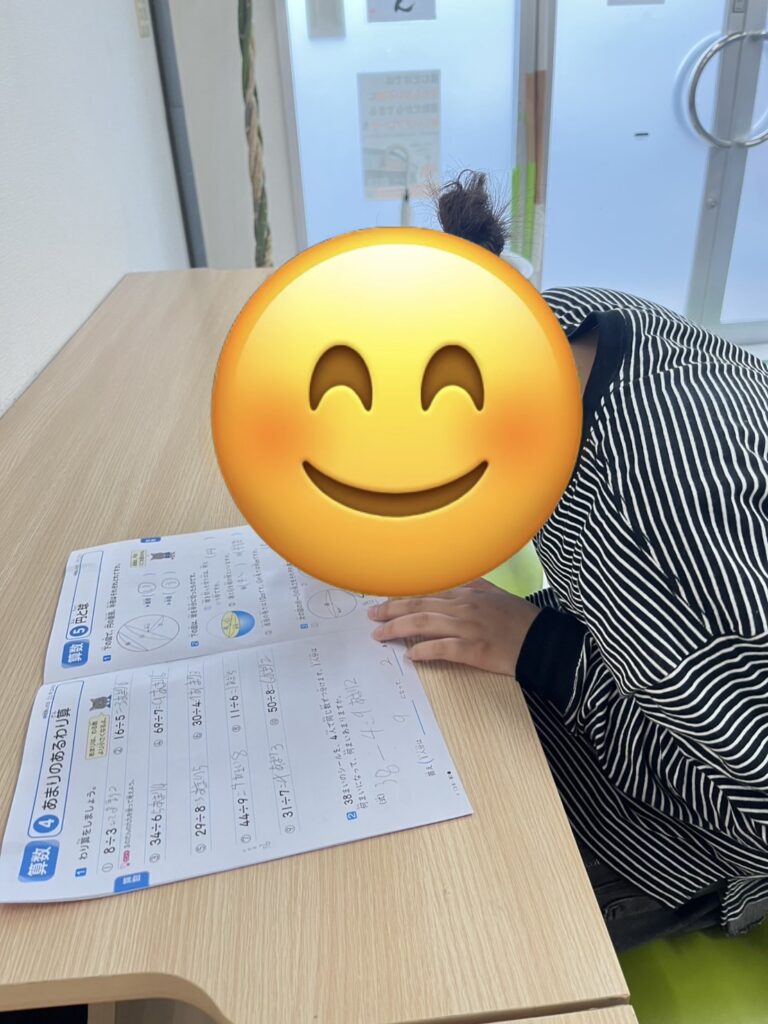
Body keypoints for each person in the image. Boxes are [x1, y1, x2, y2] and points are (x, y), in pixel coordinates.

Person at [368, 171, 768, 952]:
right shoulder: (572, 322)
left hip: (691, 838)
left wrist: (540, 650)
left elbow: (752, 794)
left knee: (421, 914)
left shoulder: (653, 501)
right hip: (639, 661)